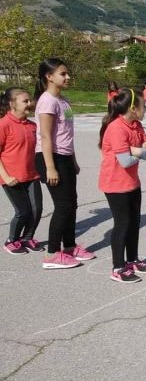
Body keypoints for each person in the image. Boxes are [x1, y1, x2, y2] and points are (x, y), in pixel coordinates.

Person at [34, 58, 96, 269]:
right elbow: (45, 136)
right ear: (49, 77)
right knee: (63, 206)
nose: (68, 77)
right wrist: (50, 167)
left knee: (72, 204)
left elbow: (66, 134)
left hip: (65, 156)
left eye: (67, 73)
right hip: (51, 157)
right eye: (63, 74)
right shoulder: (47, 101)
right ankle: (52, 254)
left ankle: (69, 247)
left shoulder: (63, 101)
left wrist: (73, 160)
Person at [98, 88, 146, 283]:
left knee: (134, 222)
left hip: (132, 182)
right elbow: (125, 162)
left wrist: (134, 150)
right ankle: (118, 267)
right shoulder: (116, 128)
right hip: (115, 184)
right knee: (122, 224)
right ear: (132, 108)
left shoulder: (137, 125)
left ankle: (132, 260)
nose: (145, 107)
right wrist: (139, 151)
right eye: (142, 105)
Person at [0, 87, 43, 254]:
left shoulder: (32, 125)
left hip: (31, 175)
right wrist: (6, 177)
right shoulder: (4, 124)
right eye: (25, 101)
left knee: (36, 210)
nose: (29, 103)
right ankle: (11, 241)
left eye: (30, 100)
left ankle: (27, 238)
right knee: (23, 212)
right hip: (11, 178)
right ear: (12, 104)